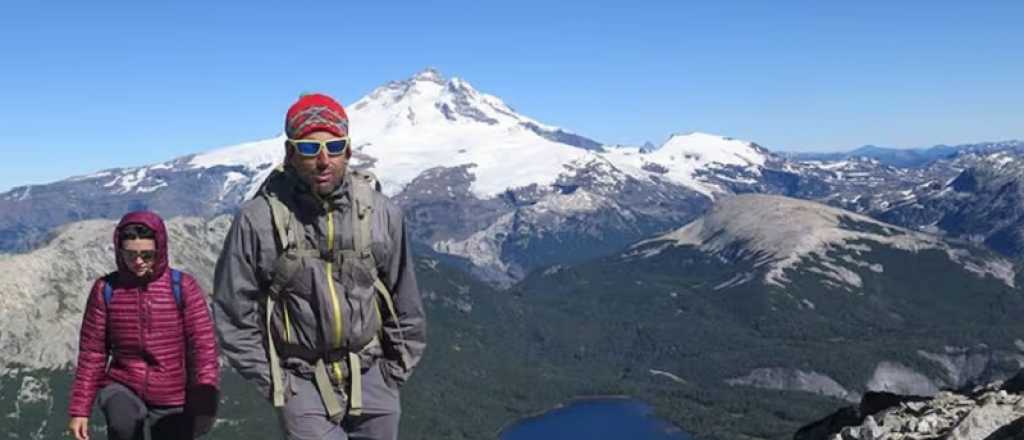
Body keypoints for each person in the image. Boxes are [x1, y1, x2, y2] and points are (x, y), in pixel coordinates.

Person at [213, 93, 427, 440]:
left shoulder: (381, 213)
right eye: (310, 149)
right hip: (301, 380)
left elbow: (405, 296)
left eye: (335, 146)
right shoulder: (257, 220)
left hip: (373, 375)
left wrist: (394, 371)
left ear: (349, 150)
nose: (323, 160)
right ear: (290, 153)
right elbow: (232, 312)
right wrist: (276, 383)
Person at [68, 211, 220, 440]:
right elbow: (93, 352)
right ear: (120, 251)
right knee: (122, 425)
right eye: (130, 254)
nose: (138, 262)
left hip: (174, 393)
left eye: (146, 255)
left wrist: (205, 405)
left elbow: (203, 349)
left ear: (160, 250)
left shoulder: (183, 287)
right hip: (122, 384)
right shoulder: (105, 289)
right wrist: (80, 409)